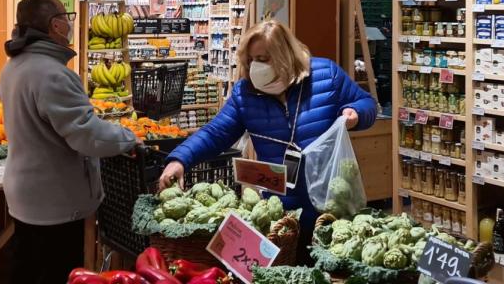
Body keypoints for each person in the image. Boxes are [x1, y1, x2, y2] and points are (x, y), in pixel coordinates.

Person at [158, 20, 377, 252]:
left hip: (333, 204)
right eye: (251, 60)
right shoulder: (246, 94)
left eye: (263, 59)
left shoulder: (326, 76)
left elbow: (366, 103)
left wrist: (357, 114)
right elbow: (215, 132)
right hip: (282, 212)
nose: (255, 67)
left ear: (285, 56)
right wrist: (180, 159)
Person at [0, 0, 138, 284]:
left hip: (26, 190)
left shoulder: (14, 66)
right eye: (66, 16)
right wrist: (128, 137)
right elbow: (86, 135)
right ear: (56, 25)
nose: (70, 22)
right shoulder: (51, 74)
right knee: (56, 270)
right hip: (55, 198)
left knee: (27, 264)